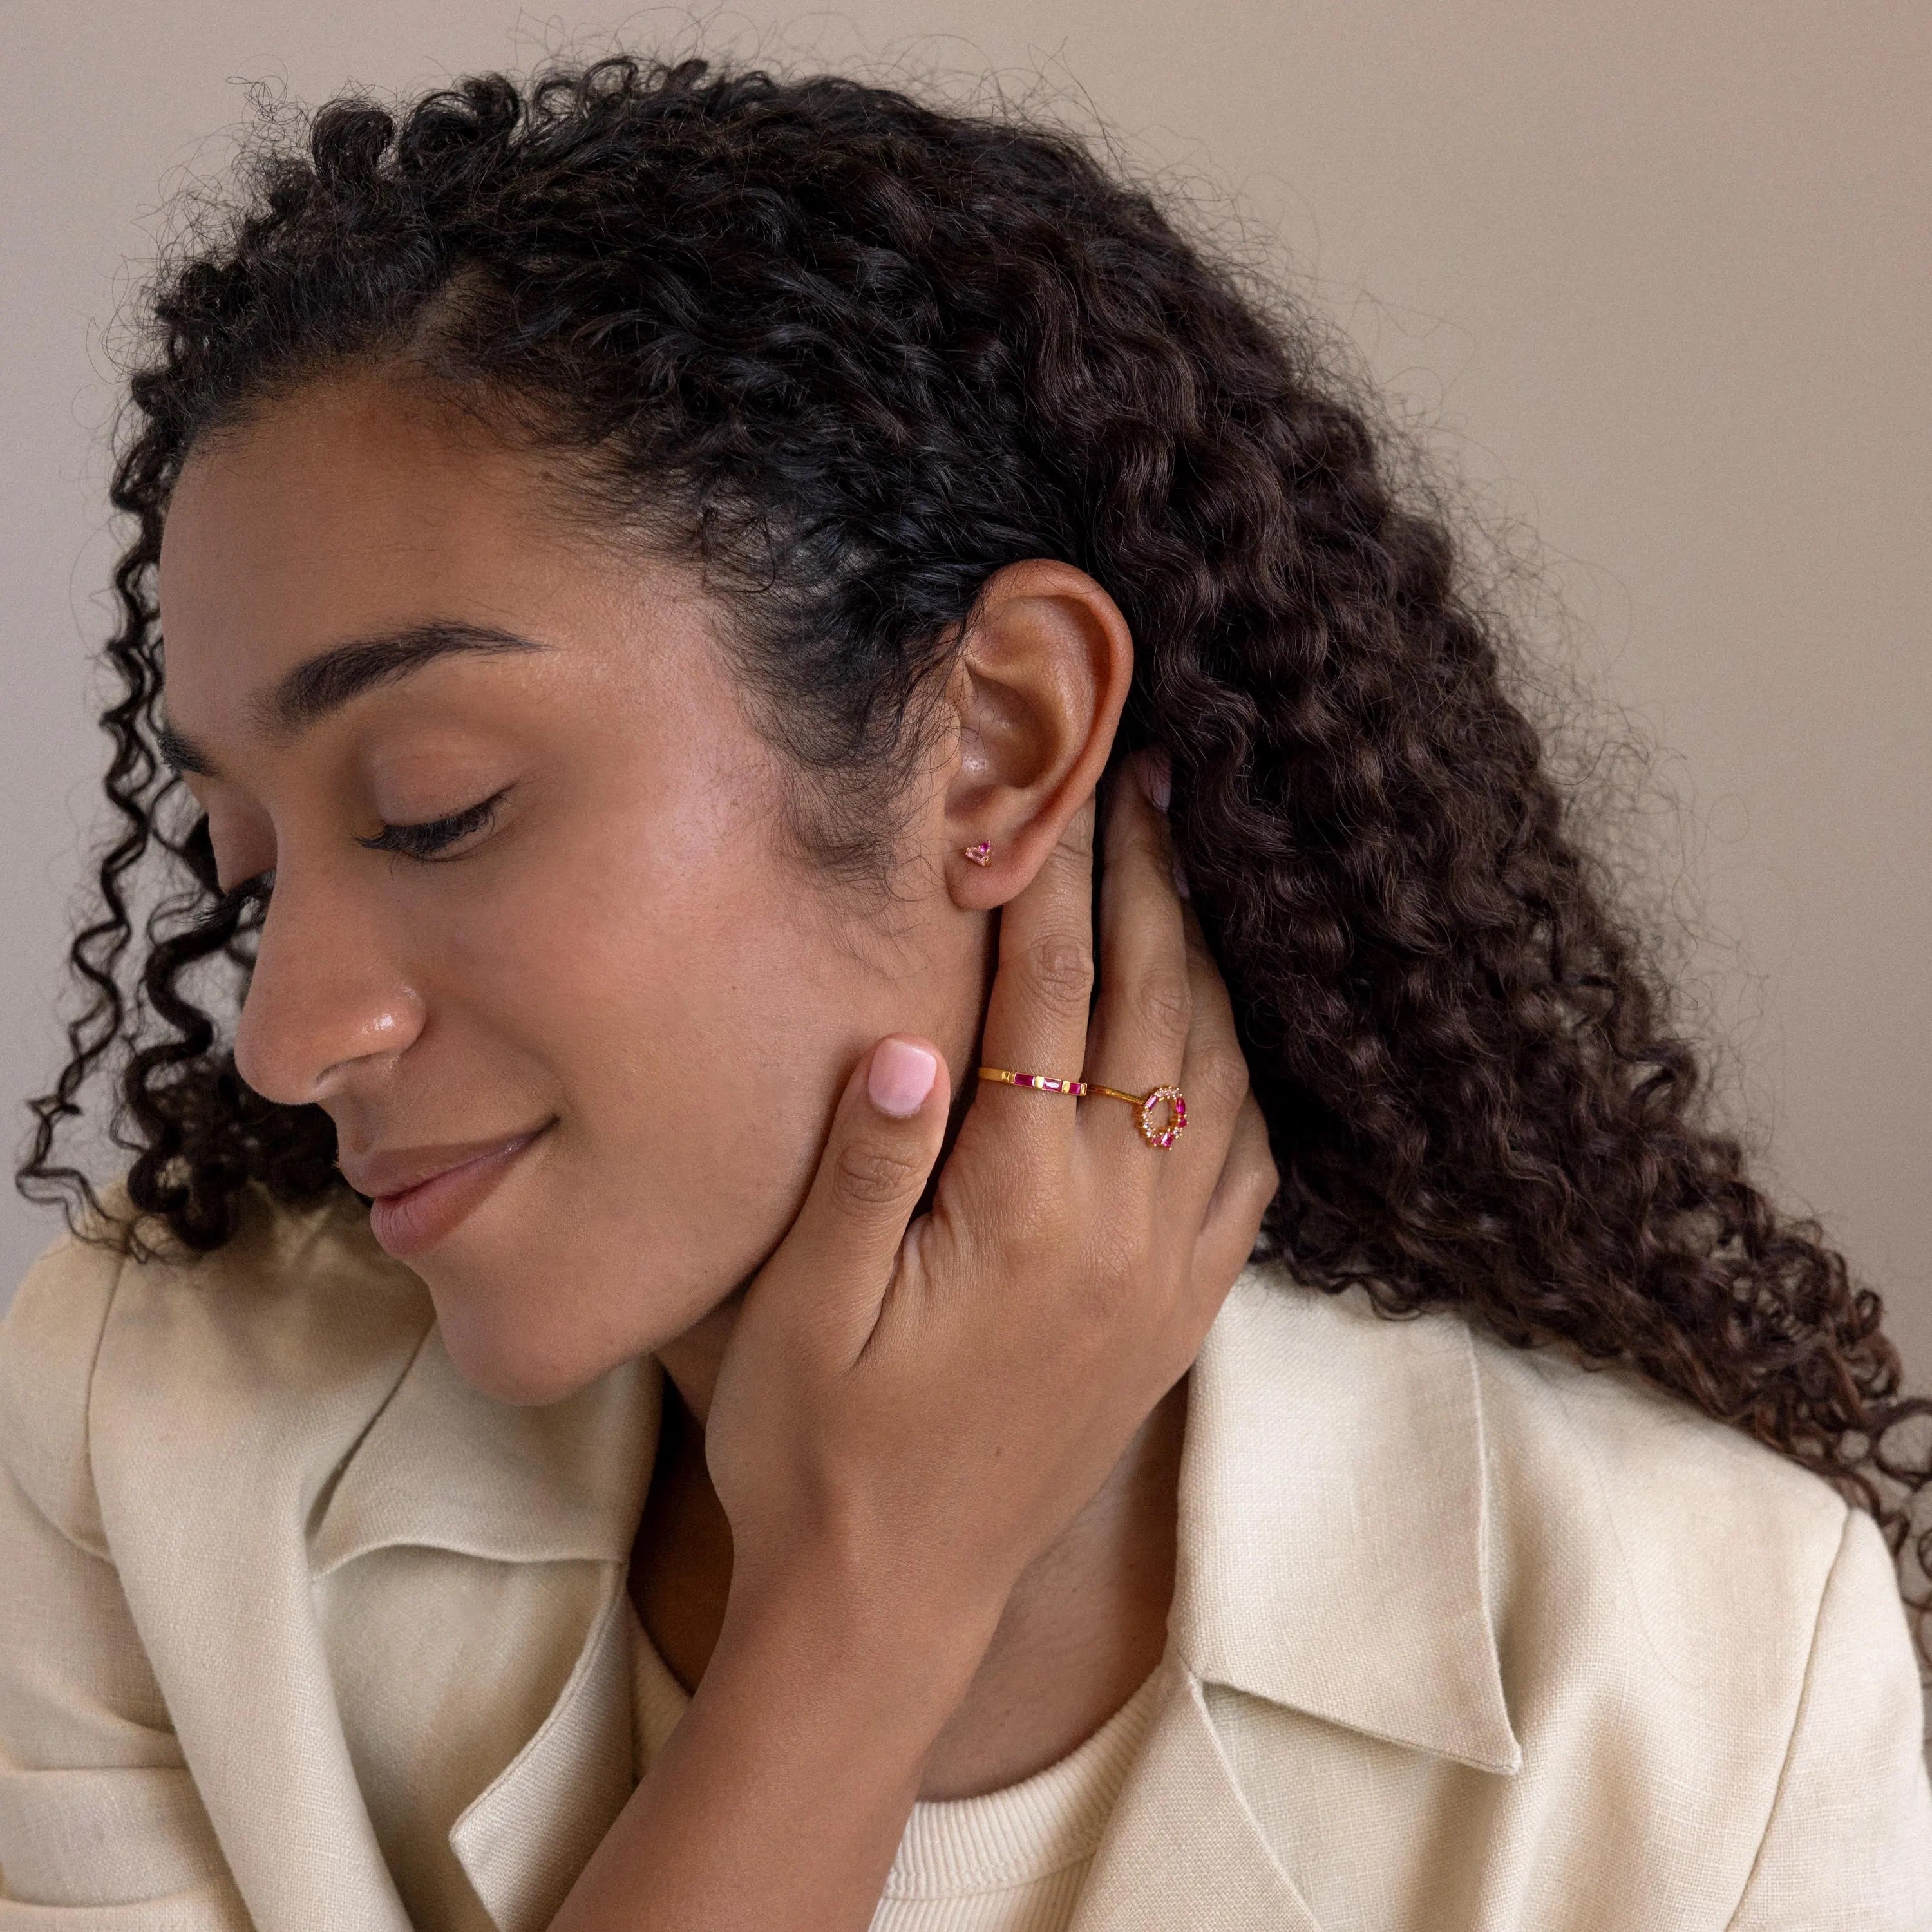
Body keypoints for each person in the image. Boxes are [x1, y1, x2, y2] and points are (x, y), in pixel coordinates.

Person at [0, 52, 1926, 1932]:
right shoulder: (143, 1430)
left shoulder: (1712, 1668)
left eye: (439, 810)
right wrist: (859, 1615)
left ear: (999, 743)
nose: (286, 1027)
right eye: (248, 872)